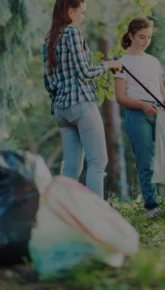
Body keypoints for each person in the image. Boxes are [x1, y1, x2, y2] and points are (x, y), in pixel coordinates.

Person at [42, 0, 122, 198]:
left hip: (61, 110)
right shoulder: (72, 33)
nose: (83, 17)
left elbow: (49, 83)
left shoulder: (49, 40)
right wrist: (108, 65)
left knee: (70, 169)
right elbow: (85, 72)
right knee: (97, 162)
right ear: (71, 12)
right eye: (82, 12)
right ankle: (97, 218)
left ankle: (66, 216)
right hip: (81, 104)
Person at [114, 17, 165, 219]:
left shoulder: (153, 61)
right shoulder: (121, 64)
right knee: (146, 163)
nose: (146, 41)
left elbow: (160, 90)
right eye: (141, 37)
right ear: (131, 36)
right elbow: (121, 97)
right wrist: (143, 105)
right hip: (137, 115)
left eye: (149, 38)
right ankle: (152, 206)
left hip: (160, 113)